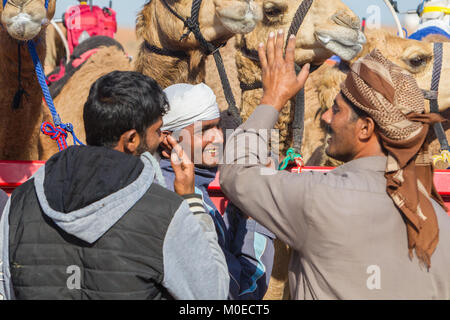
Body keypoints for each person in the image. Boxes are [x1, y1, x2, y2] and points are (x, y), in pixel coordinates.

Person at [219, 29, 450, 299]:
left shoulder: (318, 198)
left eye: (337, 109)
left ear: (365, 128)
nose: (326, 117)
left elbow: (237, 174)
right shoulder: (436, 217)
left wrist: (272, 100)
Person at [0, 71, 229, 300]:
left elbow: (5, 288)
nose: (162, 140)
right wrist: (192, 202)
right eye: (157, 131)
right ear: (131, 140)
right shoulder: (166, 213)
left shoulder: (20, 202)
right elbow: (212, 295)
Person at [159, 83, 275, 300]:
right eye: (204, 130)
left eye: (218, 126)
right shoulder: (185, 200)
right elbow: (238, 295)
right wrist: (255, 216)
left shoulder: (178, 185)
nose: (219, 138)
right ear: (168, 140)